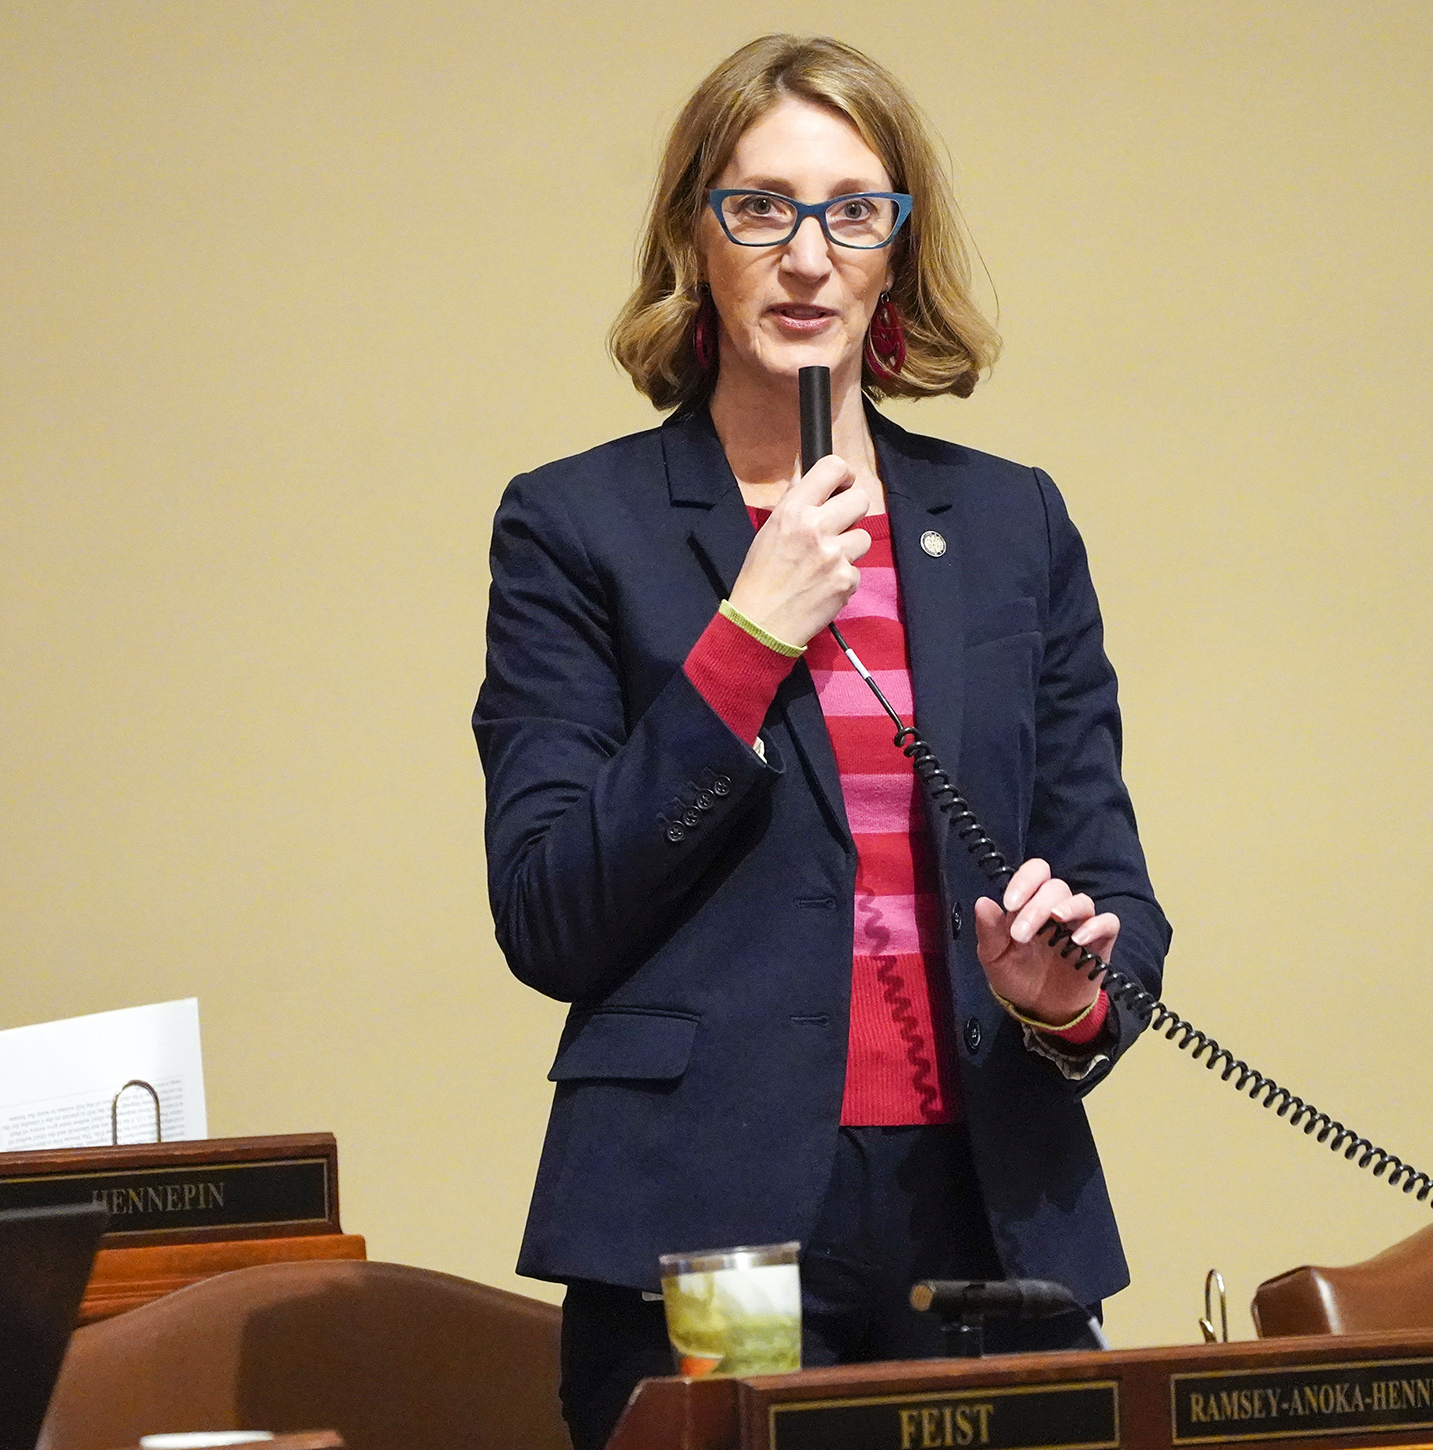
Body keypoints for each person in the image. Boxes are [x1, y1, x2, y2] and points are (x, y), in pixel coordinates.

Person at [472, 34, 1171, 1449]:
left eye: (854, 209)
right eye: (761, 207)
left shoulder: (1013, 524)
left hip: (985, 1206)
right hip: (701, 1222)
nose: (808, 253)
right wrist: (748, 634)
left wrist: (1064, 990)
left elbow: (1116, 887)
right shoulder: (573, 526)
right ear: (694, 236)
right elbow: (549, 911)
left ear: (896, 251)